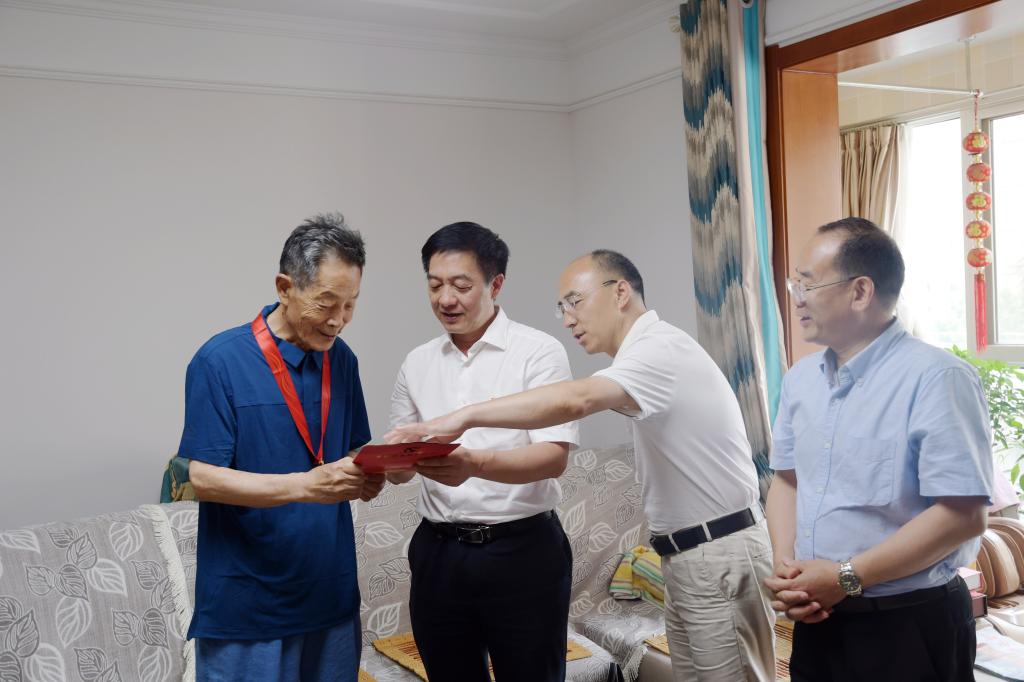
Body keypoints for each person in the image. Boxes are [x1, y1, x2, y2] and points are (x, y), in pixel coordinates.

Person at [386, 249, 777, 681]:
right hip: (690, 555)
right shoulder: (640, 356)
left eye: (574, 302)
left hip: (716, 553)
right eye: (562, 307)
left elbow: (577, 399)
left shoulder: (659, 349)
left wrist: (464, 417)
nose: (568, 318)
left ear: (621, 292)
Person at [764, 217, 993, 681]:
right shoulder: (800, 380)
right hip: (820, 621)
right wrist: (788, 572)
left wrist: (845, 577)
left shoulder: (938, 378)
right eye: (795, 285)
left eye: (808, 284)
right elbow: (786, 480)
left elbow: (964, 515)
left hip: (908, 623)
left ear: (860, 291)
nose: (797, 298)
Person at [180, 213, 384, 682]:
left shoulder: (342, 360)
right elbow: (202, 478)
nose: (338, 321)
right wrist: (307, 486)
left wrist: (372, 471)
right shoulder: (219, 361)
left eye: (350, 305)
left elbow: (353, 452)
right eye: (326, 303)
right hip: (248, 606)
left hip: (331, 597)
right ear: (285, 287)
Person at [386, 221, 579, 682]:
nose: (445, 299)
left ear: (496, 284)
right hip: (438, 552)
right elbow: (399, 467)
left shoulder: (538, 353)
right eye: (435, 285)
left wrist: (473, 465)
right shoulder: (417, 362)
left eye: (460, 285)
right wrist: (392, 463)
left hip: (522, 551)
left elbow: (553, 457)